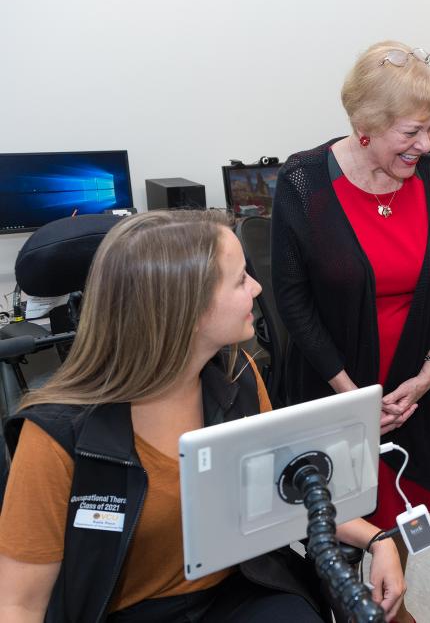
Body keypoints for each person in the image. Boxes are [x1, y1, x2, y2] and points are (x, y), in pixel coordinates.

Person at [0, 210, 404, 622]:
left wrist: (378, 539)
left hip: (241, 587)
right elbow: (19, 605)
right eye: (241, 279)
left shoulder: (240, 378)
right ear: (185, 307)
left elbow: (282, 494)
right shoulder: (56, 435)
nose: (258, 287)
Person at [272, 41, 430, 622]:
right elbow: (291, 297)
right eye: (412, 132)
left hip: (412, 394)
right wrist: (351, 392)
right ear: (365, 126)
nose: (427, 145)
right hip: (330, 385)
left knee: (403, 507)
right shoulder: (304, 181)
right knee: (329, 525)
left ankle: (389, 604)